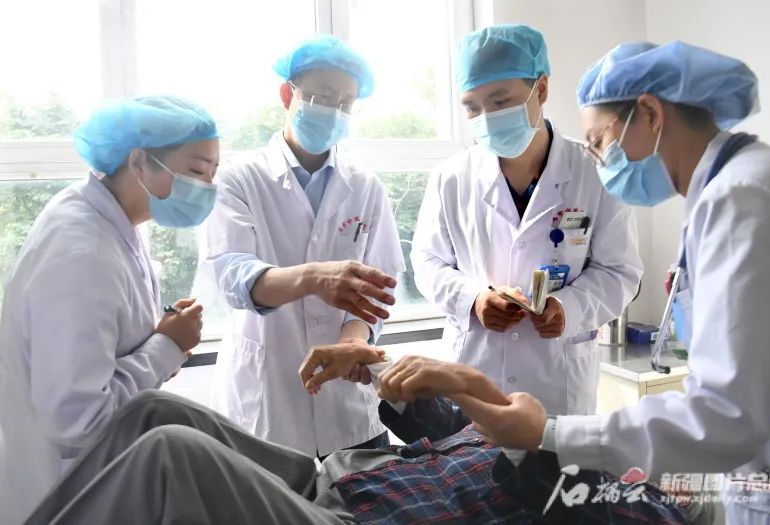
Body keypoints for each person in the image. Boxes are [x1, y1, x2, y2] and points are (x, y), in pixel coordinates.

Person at [456, 41, 770, 525]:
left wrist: (549, 434)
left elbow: (725, 417)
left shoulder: (742, 198)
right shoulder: (740, 186)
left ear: (651, 114)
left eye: (599, 142)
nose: (598, 162)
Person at [23, 349, 687, 524]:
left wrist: (480, 391)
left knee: (174, 457)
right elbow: (445, 426)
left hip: (363, 522)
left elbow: (548, 483)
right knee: (155, 411)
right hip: (333, 480)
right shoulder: (564, 436)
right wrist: (377, 368)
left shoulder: (635, 501)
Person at [0, 95, 219, 525]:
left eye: (214, 173)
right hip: (65, 492)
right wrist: (165, 346)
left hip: (98, 477)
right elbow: (78, 419)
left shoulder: (110, 219)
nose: (208, 188)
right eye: (196, 172)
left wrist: (163, 339)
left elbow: (106, 346)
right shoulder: (81, 252)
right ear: (139, 162)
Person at [411, 24, 643, 416]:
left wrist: (569, 308)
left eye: (500, 101)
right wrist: (472, 299)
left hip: (557, 381)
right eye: (472, 107)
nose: (486, 117)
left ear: (542, 89)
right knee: (470, 453)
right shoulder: (451, 178)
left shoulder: (594, 171)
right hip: (475, 371)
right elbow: (427, 262)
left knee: (553, 455)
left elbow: (620, 270)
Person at [205, 34, 404, 458]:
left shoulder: (366, 187)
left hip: (349, 407)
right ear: (287, 94)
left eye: (346, 104)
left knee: (363, 496)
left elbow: (379, 290)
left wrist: (352, 344)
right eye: (322, 97)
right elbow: (233, 276)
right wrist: (313, 278)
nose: (333, 112)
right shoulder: (238, 179)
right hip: (266, 401)